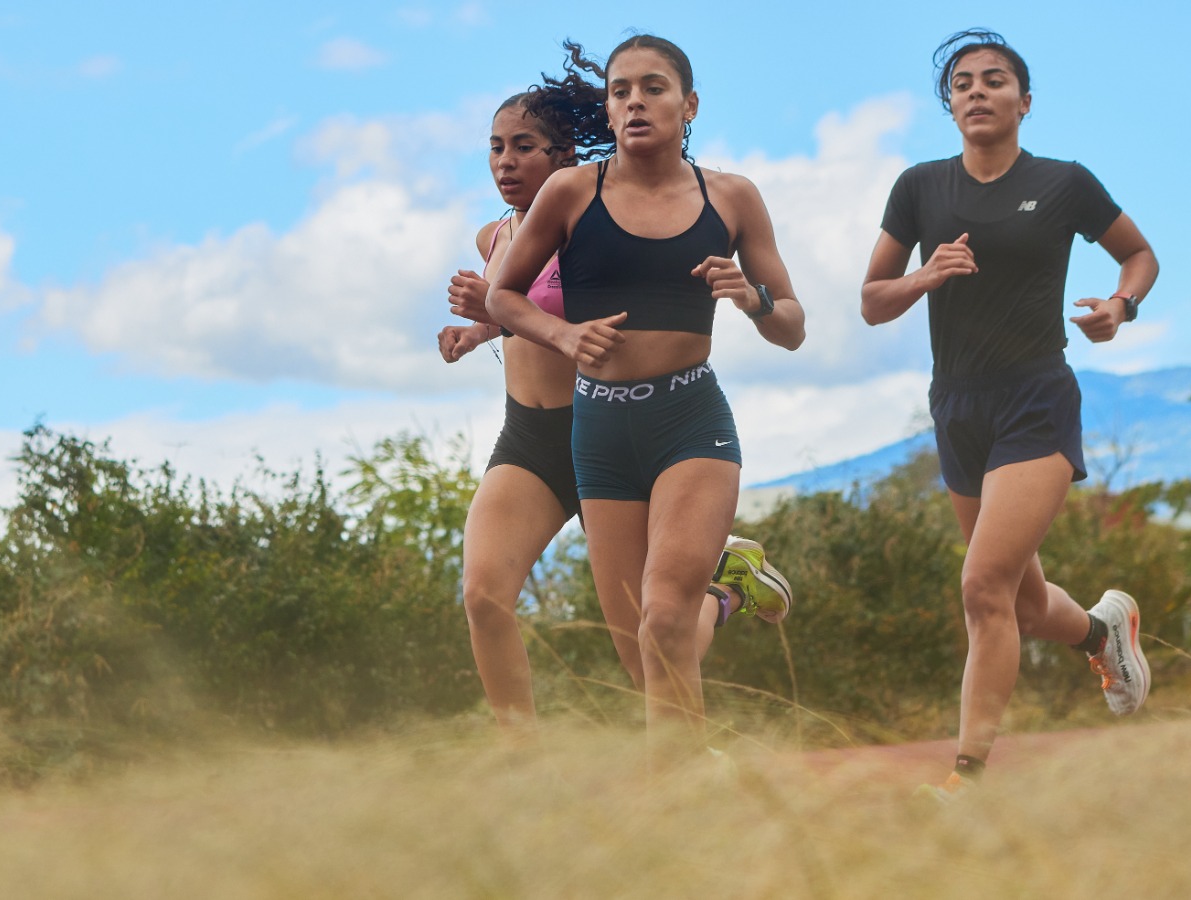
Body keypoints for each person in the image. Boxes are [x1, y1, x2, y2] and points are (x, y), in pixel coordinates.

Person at [484, 36, 805, 756]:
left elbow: (792, 326)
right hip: (599, 433)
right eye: (621, 89)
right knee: (642, 649)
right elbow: (504, 297)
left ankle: (679, 806)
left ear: (688, 106)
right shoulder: (572, 193)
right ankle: (719, 641)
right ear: (608, 107)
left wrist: (752, 300)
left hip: (690, 422)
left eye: (653, 88)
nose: (635, 101)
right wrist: (564, 339)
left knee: (663, 617)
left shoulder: (731, 197)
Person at [859, 29, 1157, 801]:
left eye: (995, 80)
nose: (977, 91)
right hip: (955, 405)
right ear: (950, 105)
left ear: (1024, 102)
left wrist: (1120, 306)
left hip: (1035, 398)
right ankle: (1102, 634)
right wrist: (927, 274)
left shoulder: (1064, 182)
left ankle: (968, 780)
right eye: (963, 83)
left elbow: (1140, 255)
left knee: (983, 587)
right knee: (1021, 604)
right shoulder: (920, 187)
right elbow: (870, 303)